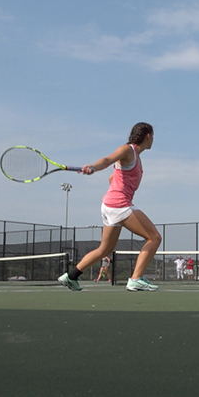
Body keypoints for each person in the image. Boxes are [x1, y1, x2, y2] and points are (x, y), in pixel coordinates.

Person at [57, 122, 161, 292]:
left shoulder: (135, 157)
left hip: (110, 205)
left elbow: (112, 178)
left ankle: (71, 276)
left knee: (105, 249)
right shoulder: (128, 150)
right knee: (154, 238)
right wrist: (93, 167)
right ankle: (135, 279)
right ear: (148, 136)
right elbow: (107, 160)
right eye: (153, 136)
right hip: (118, 205)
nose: (153, 140)